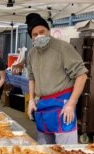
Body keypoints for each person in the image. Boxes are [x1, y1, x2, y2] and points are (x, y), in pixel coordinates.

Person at [26, 13, 88, 145]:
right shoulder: (31, 54)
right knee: (45, 151)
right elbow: (31, 78)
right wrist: (31, 99)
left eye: (42, 31)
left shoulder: (63, 48)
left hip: (62, 105)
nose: (39, 36)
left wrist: (72, 103)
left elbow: (81, 75)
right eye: (35, 34)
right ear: (31, 37)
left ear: (48, 30)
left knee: (67, 152)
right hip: (42, 105)